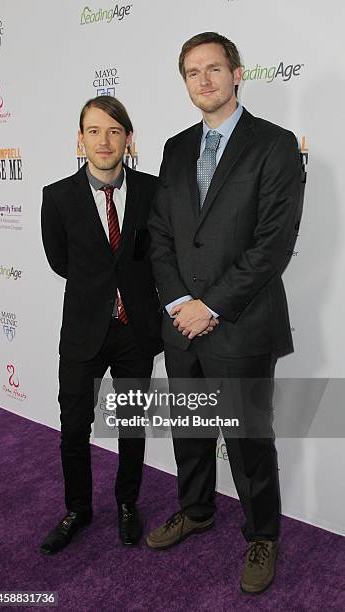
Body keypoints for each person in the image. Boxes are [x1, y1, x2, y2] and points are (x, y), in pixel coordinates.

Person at [147, 32, 302, 594]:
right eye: (193, 72)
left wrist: (210, 305)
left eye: (215, 68)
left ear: (238, 73)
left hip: (241, 322)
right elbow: (160, 234)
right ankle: (196, 509)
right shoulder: (174, 146)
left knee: (247, 439)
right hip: (179, 323)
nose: (204, 80)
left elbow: (273, 243)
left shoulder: (276, 144)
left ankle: (262, 533)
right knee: (189, 431)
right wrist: (176, 304)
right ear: (185, 82)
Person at [40, 95, 162, 554]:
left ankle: (127, 504)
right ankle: (77, 509)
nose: (104, 140)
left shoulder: (154, 191)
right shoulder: (57, 196)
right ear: (80, 140)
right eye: (94, 131)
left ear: (128, 139)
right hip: (82, 332)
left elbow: (156, 256)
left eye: (114, 131)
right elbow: (60, 261)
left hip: (136, 331)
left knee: (132, 424)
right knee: (73, 428)